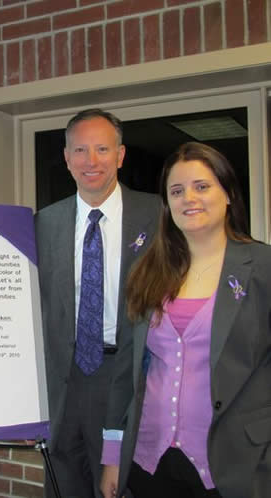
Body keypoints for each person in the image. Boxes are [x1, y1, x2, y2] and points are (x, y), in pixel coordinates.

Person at [100, 142, 271, 498]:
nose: (188, 198)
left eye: (202, 186)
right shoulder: (147, 270)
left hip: (237, 464)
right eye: (176, 191)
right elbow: (124, 378)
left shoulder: (262, 267)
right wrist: (113, 456)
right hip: (149, 462)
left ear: (227, 194)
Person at [34, 109, 160, 498]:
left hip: (126, 378)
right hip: (63, 382)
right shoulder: (43, 223)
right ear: (67, 157)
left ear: (120, 155)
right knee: (63, 484)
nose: (92, 161)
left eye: (102, 149)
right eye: (81, 150)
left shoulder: (158, 215)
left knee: (118, 487)